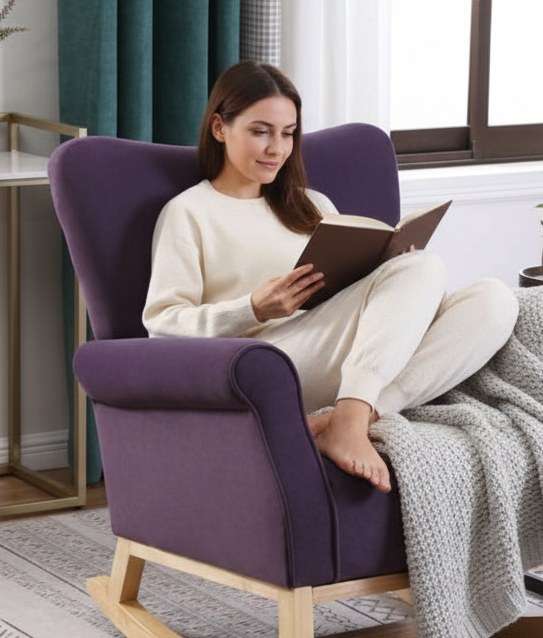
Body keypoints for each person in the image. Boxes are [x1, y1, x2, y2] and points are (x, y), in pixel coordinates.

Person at [143, 61, 518, 493]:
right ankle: (353, 414)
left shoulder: (313, 204)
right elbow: (161, 325)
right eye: (260, 131)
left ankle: (349, 418)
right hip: (267, 359)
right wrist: (251, 308)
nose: (276, 149)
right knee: (424, 268)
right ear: (219, 128)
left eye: (288, 134)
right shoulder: (189, 212)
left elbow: (350, 294)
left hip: (345, 351)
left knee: (494, 300)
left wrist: (388, 267)